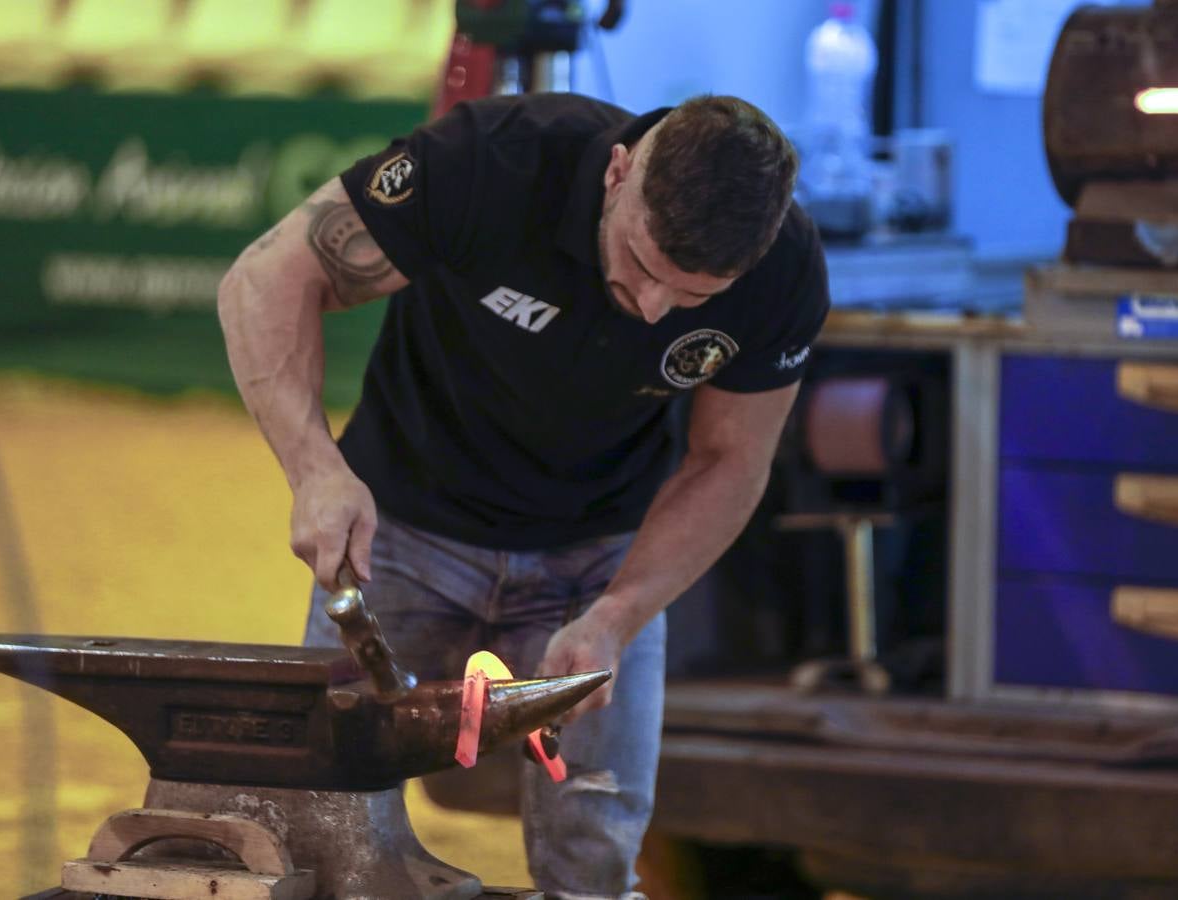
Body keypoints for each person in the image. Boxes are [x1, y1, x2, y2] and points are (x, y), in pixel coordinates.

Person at [217, 91, 829, 899]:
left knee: (596, 853)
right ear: (617, 173)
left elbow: (729, 462)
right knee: (318, 829)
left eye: (691, 298)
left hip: (597, 560)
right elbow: (265, 277)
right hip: (402, 531)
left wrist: (617, 617)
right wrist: (315, 471)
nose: (652, 307)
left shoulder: (784, 269)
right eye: (643, 265)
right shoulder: (492, 161)